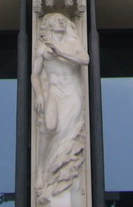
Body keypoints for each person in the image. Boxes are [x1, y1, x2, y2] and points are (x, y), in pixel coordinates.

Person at [32, 12, 89, 207]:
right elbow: (35, 75)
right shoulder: (42, 48)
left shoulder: (72, 45)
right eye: (56, 19)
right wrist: (39, 94)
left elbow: (85, 60)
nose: (61, 21)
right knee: (49, 128)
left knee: (68, 133)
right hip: (54, 91)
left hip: (72, 92)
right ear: (47, 24)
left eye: (63, 19)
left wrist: (60, 51)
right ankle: (42, 170)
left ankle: (61, 174)